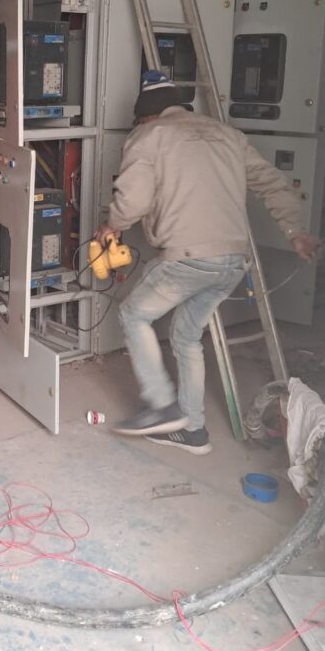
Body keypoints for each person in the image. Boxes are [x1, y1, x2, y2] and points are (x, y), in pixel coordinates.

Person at [95, 72, 320, 454]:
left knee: (133, 314)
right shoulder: (228, 135)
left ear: (146, 114)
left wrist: (111, 225)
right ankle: (193, 430)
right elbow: (271, 182)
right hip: (233, 261)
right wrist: (294, 231)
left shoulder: (149, 135)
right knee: (186, 336)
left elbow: (133, 200)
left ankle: (161, 406)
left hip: (189, 258)